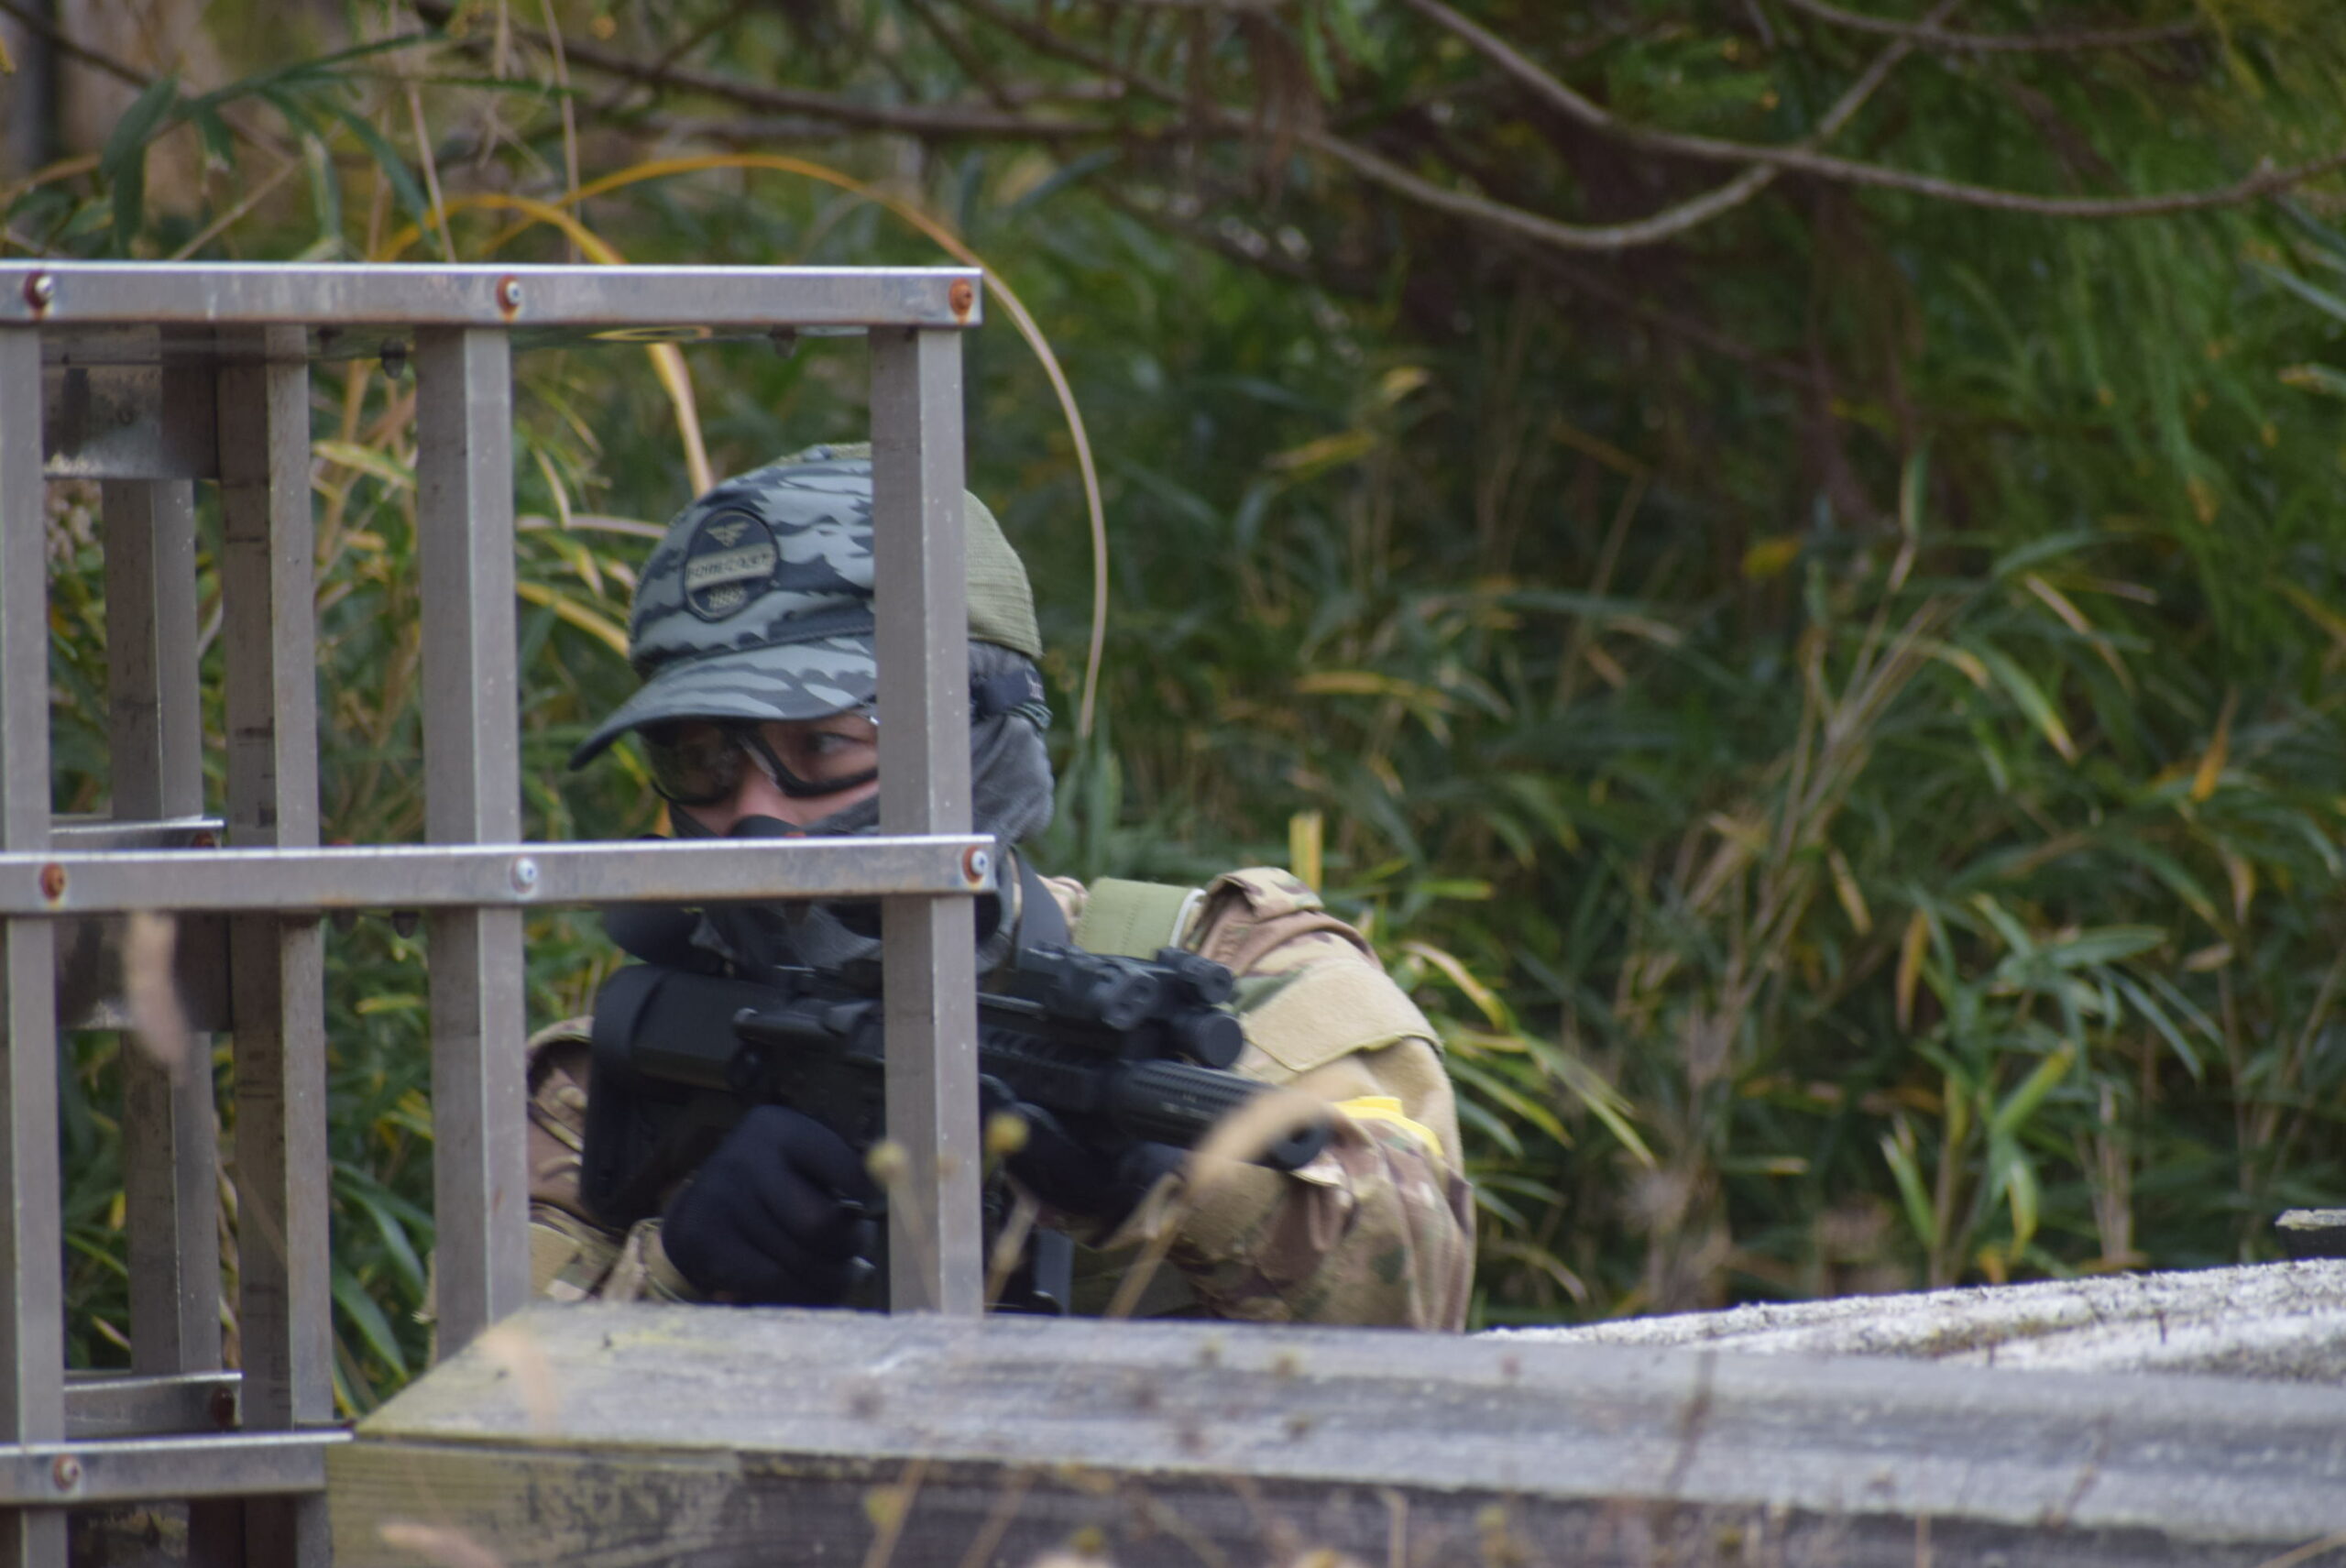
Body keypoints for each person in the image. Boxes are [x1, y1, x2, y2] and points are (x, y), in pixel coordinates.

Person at [520, 444, 1474, 1329]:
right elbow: (472, 1394)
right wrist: (678, 1271)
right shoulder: (612, 1075)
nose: (755, 814)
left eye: (824, 744)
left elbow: (1420, 1291)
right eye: (702, 760)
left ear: (982, 734)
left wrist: (1168, 1184)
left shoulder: (1252, 969)